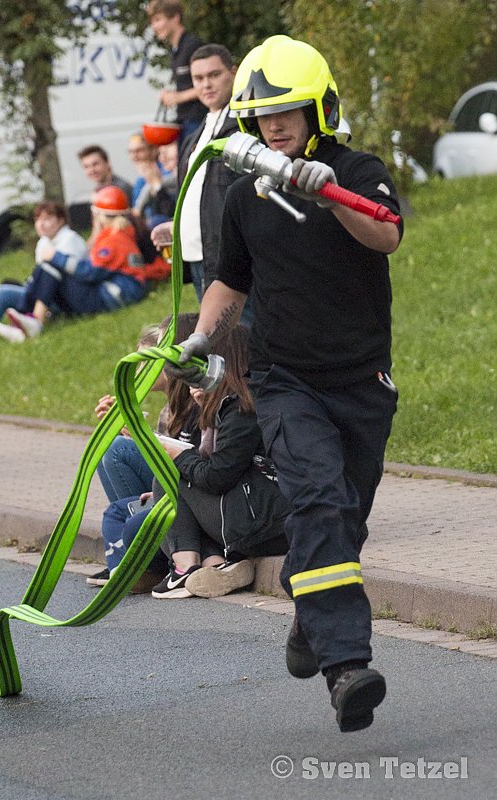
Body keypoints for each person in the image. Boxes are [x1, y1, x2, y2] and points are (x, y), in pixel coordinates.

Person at [168, 35, 403, 732]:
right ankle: (346, 667)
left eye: (288, 111)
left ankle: (310, 615)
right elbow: (228, 280)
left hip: (362, 380)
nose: (273, 126)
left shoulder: (358, 170)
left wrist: (325, 193)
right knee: (318, 499)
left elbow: (385, 235)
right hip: (284, 379)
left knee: (342, 519)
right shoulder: (242, 195)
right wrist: (200, 339)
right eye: (262, 114)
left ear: (319, 109)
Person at [150, 324, 290, 599]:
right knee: (157, 500)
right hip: (267, 513)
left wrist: (179, 455)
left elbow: (217, 477)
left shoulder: (242, 408)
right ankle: (215, 565)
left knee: (167, 478)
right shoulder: (238, 402)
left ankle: (185, 568)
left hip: (266, 524)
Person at [88, 312, 202, 589]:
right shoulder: (170, 406)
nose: (141, 371)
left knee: (118, 451)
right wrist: (124, 424)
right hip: (176, 481)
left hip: (192, 485)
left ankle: (142, 556)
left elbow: (179, 454)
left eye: (149, 362)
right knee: (110, 447)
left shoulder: (196, 396)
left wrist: (136, 431)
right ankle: (131, 554)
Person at [151, 43, 252, 325]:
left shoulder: (248, 125)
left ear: (233, 73)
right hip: (198, 259)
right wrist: (176, 224)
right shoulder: (195, 134)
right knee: (222, 350)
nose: (205, 84)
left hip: (234, 261)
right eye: (198, 79)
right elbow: (200, 194)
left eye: (214, 75)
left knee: (246, 347)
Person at [0, 186, 150, 342]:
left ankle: (34, 322)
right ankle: (27, 324)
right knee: (50, 268)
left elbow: (91, 272)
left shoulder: (113, 239)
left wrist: (56, 256)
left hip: (111, 297)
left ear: (100, 215)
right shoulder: (120, 234)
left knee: (51, 266)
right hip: (117, 293)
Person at [0, 202, 86, 338]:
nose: (41, 224)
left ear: (60, 221)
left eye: (47, 219)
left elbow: (62, 277)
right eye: (38, 220)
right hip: (47, 296)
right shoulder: (44, 242)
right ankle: (18, 325)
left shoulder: (70, 240)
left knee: (4, 293)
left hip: (63, 299)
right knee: (7, 285)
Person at [147, 0, 206, 144]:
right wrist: (169, 95)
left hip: (199, 120)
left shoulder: (192, 45)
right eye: (152, 22)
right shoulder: (175, 50)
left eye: (158, 20)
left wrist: (179, 97)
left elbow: (211, 83)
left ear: (175, 18)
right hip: (185, 120)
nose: (154, 27)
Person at [127, 133, 177, 228]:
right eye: (131, 152)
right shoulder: (139, 181)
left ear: (153, 150)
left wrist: (156, 183)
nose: (134, 156)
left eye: (139, 151)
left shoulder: (166, 171)